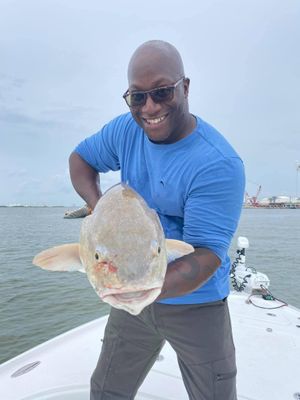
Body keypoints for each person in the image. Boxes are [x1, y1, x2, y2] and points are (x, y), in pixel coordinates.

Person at [69, 40, 245, 400]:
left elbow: (207, 255)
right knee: (106, 390)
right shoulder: (126, 130)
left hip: (197, 301)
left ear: (185, 87)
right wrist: (98, 208)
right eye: (138, 96)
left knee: (215, 394)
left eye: (163, 92)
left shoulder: (217, 164)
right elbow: (81, 159)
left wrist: (137, 289)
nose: (149, 107)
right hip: (130, 289)